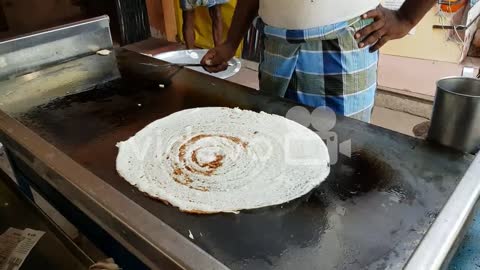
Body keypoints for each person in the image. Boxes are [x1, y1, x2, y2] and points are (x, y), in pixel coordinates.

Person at [201, 0, 436, 122]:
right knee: (277, 142)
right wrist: (231, 43)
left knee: (340, 152)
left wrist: (407, 18)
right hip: (276, 46)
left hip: (343, 44)